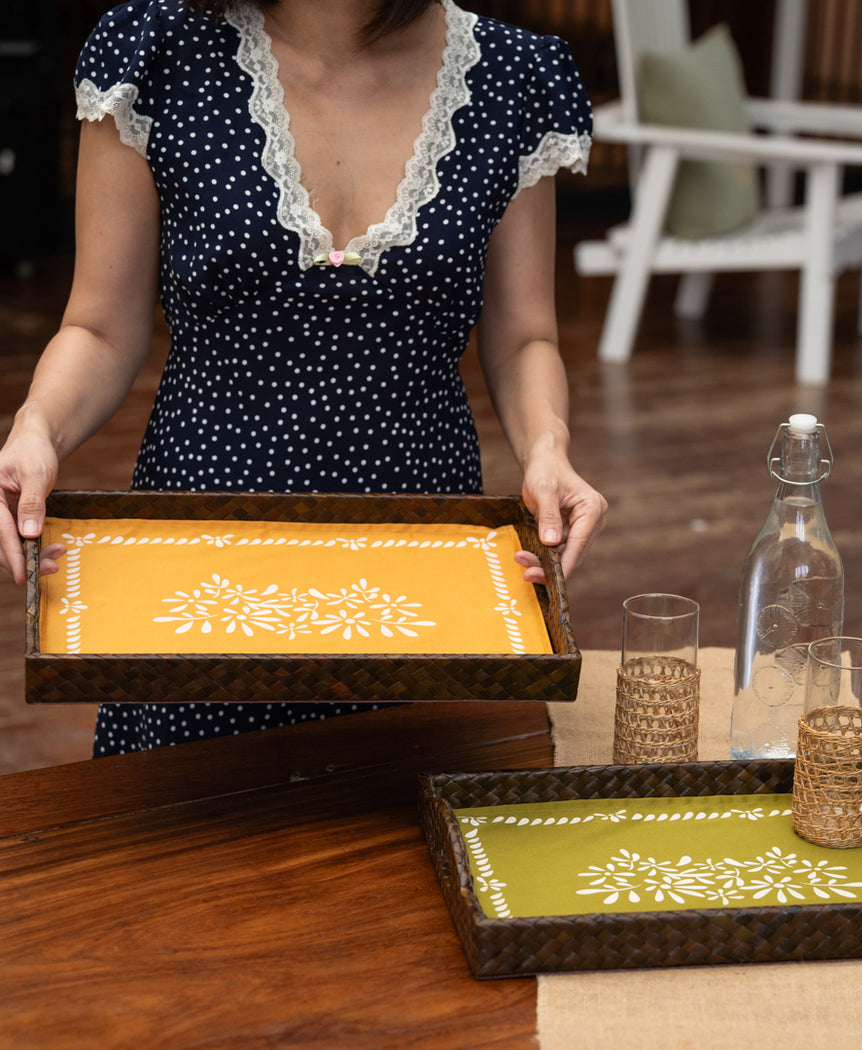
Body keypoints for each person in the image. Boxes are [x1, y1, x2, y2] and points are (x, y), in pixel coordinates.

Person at [0, 0, 606, 756]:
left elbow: (524, 338)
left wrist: (547, 449)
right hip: (198, 559)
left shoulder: (516, 74)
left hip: (422, 564)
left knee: (402, 839)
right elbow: (98, 325)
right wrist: (35, 427)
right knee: (190, 844)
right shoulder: (154, 51)